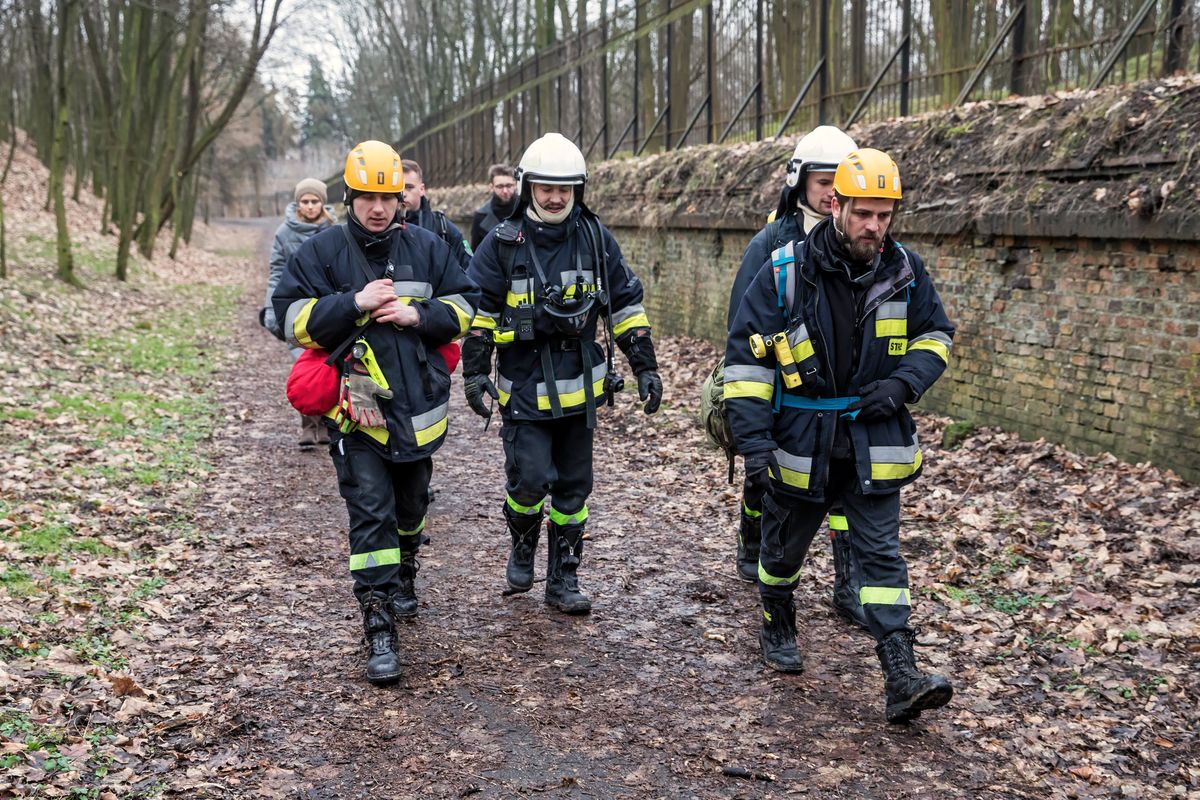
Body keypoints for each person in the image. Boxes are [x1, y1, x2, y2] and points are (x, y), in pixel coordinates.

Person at [724, 148, 955, 723]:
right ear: (837, 206)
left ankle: (900, 670)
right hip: (801, 439)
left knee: (881, 556)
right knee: (784, 551)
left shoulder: (906, 271)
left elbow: (937, 337)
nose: (874, 226)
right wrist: (754, 448)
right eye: (863, 214)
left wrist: (903, 385)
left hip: (872, 439)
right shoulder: (783, 271)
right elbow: (747, 366)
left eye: (884, 215)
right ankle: (777, 617)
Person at [272, 140, 479, 685]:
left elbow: (465, 307)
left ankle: (406, 564)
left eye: (387, 197)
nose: (378, 208)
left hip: (417, 405)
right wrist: (353, 304)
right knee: (370, 513)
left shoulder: (431, 248)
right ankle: (378, 622)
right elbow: (287, 316)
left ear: (400, 199)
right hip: (354, 408)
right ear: (350, 197)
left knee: (411, 502)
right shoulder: (321, 252)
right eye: (367, 197)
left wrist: (419, 314)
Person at [461, 132, 663, 615]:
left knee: (574, 488)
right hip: (524, 385)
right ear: (529, 187)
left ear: (578, 190)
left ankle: (564, 578)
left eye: (565, 189)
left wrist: (645, 365)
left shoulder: (595, 238)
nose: (555, 198)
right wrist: (473, 372)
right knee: (529, 480)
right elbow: (480, 311)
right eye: (547, 188)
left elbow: (625, 307)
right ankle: (524, 543)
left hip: (580, 391)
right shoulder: (502, 243)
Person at [725, 126, 869, 631]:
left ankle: (847, 585)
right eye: (823, 180)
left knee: (846, 491)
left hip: (838, 400)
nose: (832, 191)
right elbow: (742, 321)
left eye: (841, 181)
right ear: (800, 183)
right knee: (769, 480)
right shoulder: (772, 241)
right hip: (784, 391)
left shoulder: (864, 244)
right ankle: (753, 539)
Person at [262, 177, 334, 448]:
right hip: (297, 306)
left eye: (315, 201)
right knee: (305, 365)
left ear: (322, 203)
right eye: (305, 201)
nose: (310, 206)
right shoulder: (285, 233)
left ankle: (328, 423)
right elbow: (276, 272)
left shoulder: (333, 229)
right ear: (298, 203)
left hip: (327, 306)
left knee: (330, 365)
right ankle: (307, 424)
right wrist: (272, 308)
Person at [400, 158, 472, 270]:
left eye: (409, 187)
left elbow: (468, 269)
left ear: (422, 189)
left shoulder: (443, 228)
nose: (403, 194)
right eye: (398, 188)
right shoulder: (383, 229)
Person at [470, 164, 518, 251]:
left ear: (515, 185)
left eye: (509, 185)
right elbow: (475, 253)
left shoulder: (526, 210)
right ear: (491, 187)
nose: (505, 191)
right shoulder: (480, 216)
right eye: (500, 186)